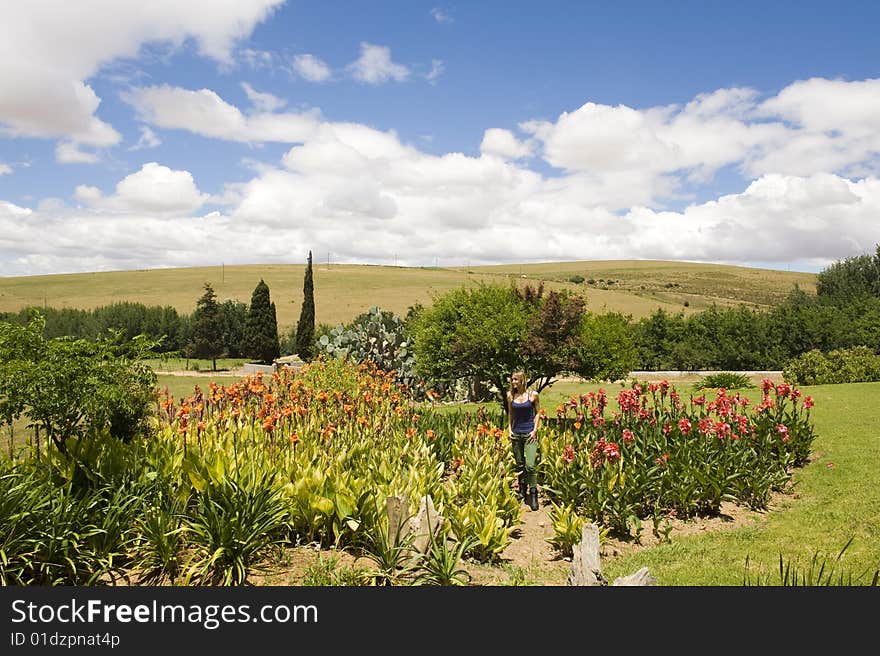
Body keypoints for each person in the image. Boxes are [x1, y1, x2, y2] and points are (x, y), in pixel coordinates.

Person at [507, 370, 541, 511]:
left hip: (529, 434)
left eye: (516, 379)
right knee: (520, 464)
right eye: (512, 380)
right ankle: (522, 490)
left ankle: (533, 493)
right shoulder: (510, 395)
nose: (513, 382)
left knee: (530, 465)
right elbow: (510, 414)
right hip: (516, 434)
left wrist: (535, 430)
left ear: (522, 380)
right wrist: (509, 430)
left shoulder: (533, 395)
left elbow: (538, 412)